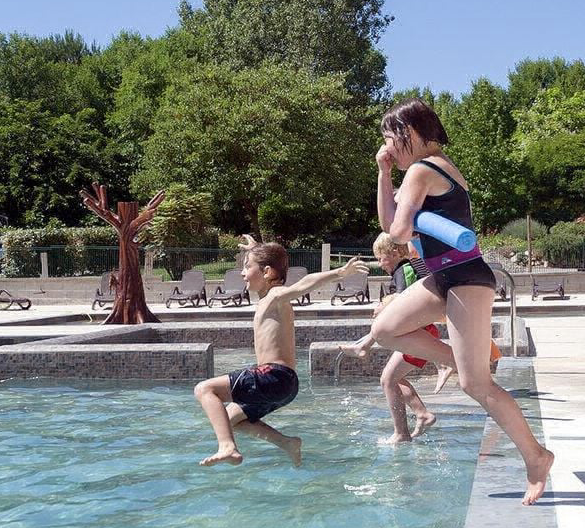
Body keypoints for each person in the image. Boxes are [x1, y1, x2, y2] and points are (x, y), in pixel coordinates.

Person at [369, 97, 553, 505]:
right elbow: (389, 226)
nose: (387, 148)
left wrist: (402, 210)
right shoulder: (426, 167)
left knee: (476, 385)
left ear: (409, 133)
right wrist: (383, 173)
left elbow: (398, 232)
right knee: (384, 328)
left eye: (389, 139)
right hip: (443, 276)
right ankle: (458, 359)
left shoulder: (422, 169)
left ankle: (536, 457)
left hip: (466, 277)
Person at [193, 236, 368, 467]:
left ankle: (227, 446)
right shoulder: (269, 298)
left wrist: (340, 273)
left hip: (273, 376)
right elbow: (269, 262)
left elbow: (304, 283)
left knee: (205, 389)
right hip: (285, 385)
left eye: (247, 267)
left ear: (266, 272)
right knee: (229, 419)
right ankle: (286, 442)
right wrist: (256, 250)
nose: (242, 273)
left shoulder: (275, 296)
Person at [338, 234, 437, 442]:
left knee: (388, 380)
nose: (380, 264)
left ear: (394, 253)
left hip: (419, 332)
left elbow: (404, 300)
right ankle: (422, 414)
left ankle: (401, 433)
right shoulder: (403, 270)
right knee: (392, 378)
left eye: (380, 258)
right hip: (416, 331)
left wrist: (385, 306)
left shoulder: (404, 269)